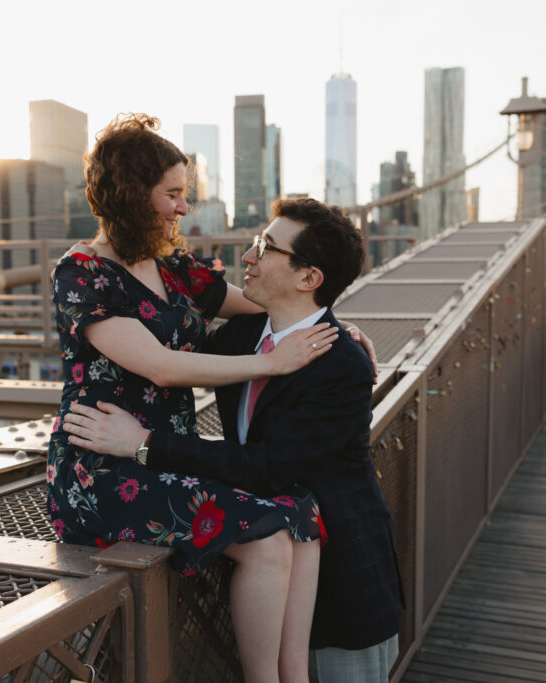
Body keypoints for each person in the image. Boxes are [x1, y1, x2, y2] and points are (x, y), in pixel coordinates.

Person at [49, 114, 360, 683]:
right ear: (130, 195)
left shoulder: (175, 266)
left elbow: (272, 300)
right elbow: (163, 368)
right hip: (101, 467)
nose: (182, 208)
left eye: (184, 194)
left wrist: (333, 326)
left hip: (162, 456)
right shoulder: (83, 273)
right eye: (171, 194)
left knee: (304, 517)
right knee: (267, 536)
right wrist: (272, 361)